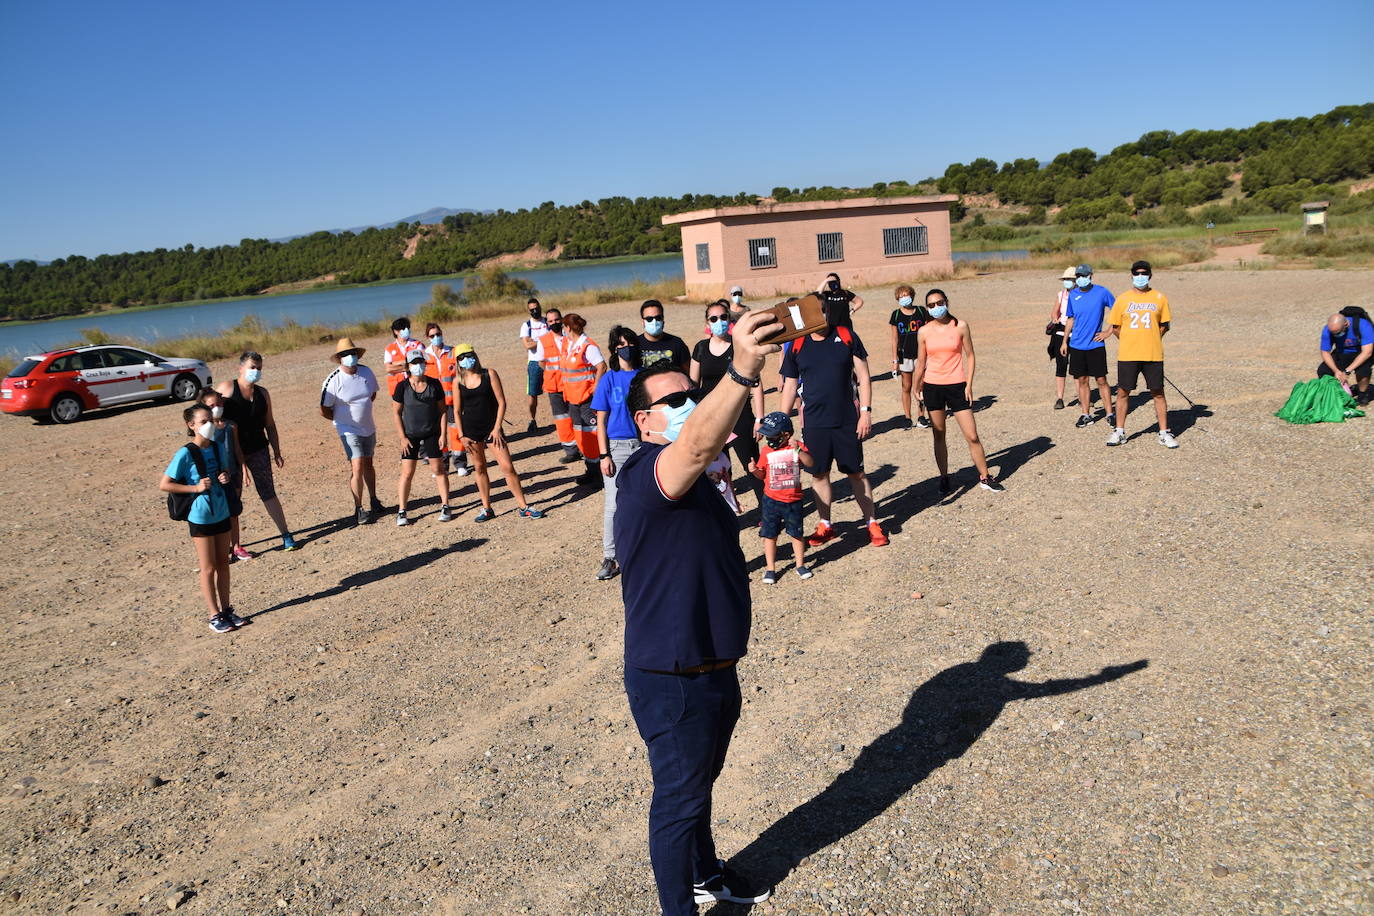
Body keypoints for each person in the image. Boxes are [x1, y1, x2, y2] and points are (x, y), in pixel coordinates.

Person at [615, 308, 780, 916]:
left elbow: (707, 443)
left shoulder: (700, 477)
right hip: (673, 677)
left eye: (691, 393)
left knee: (698, 787)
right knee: (678, 800)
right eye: (672, 400)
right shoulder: (647, 474)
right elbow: (696, 445)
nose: (687, 403)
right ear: (643, 422)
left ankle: (706, 873)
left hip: (713, 665)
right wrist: (739, 370)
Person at [779, 316, 888, 547]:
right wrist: (781, 421)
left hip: (846, 419)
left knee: (856, 473)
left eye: (822, 311)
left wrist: (866, 412)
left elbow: (864, 377)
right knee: (819, 474)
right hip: (814, 423)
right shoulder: (798, 344)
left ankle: (872, 523)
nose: (819, 316)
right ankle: (825, 524)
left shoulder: (847, 336)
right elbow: (790, 385)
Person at [159, 404, 248, 633]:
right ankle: (214, 614)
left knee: (223, 564)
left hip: (221, 510)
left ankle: (227, 609)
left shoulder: (218, 448)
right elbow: (165, 484)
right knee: (208, 567)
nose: (209, 424)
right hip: (200, 516)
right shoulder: (186, 453)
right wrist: (194, 488)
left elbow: (225, 471)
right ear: (191, 425)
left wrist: (225, 476)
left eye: (210, 419)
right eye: (203, 421)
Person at [913, 289, 1006, 493]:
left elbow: (970, 355)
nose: (936, 307)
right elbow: (921, 362)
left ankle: (985, 476)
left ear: (946, 302)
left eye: (939, 303)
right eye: (931, 305)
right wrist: (915, 386)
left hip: (957, 386)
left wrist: (969, 385)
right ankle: (944, 476)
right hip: (932, 386)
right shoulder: (924, 331)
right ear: (927, 308)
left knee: (972, 435)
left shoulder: (960, 326)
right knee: (939, 434)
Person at [451, 344, 545, 521]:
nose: (466, 359)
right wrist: (461, 435)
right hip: (471, 431)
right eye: (461, 357)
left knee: (507, 467)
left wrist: (496, 428)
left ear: (475, 355)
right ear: (457, 362)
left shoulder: (489, 374)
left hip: (491, 428)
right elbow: (456, 411)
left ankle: (523, 506)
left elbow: (501, 402)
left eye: (468, 355)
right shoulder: (458, 382)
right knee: (479, 468)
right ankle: (486, 507)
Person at [216, 352, 296, 551]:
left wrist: (276, 450)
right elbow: (212, 417)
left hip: (259, 448)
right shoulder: (226, 389)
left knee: (268, 492)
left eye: (259, 368)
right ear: (241, 368)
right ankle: (232, 545)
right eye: (252, 367)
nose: (256, 371)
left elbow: (269, 423)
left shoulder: (262, 393)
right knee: (233, 498)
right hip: (231, 454)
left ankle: (286, 534)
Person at [691, 301, 765, 502]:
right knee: (719, 469)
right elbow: (692, 387)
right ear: (708, 322)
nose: (719, 322)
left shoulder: (738, 346)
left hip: (740, 414)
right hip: (711, 416)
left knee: (751, 464)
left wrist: (759, 418)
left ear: (730, 319)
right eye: (714, 318)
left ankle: (769, 513)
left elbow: (756, 383)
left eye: (723, 317)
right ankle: (728, 510)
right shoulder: (700, 348)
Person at [1105, 261, 1178, 448]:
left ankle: (1164, 432)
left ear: (1150, 275)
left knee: (1158, 392)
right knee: (1123, 392)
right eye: (1137, 273)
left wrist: (1151, 339)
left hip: (1153, 354)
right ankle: (1119, 431)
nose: (1140, 276)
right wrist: (1130, 340)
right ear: (1131, 276)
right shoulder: (1122, 299)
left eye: (1144, 273)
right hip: (1128, 354)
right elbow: (1115, 327)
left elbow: (1164, 325)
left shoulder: (1159, 298)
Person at [590, 325, 642, 581]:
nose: (626, 348)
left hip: (644, 446)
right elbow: (601, 419)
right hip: (617, 448)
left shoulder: (645, 377)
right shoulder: (609, 379)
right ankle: (611, 557)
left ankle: (646, 550)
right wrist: (603, 455)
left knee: (646, 500)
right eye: (621, 345)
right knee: (613, 504)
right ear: (614, 349)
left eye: (629, 343)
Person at [319, 336, 383, 525]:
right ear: (339, 358)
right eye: (346, 354)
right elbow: (323, 409)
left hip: (368, 426)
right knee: (357, 465)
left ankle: (374, 500)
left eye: (353, 353)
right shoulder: (332, 380)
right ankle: (359, 508)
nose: (351, 357)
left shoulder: (366, 372)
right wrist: (340, 420)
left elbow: (372, 394)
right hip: (347, 430)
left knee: (369, 463)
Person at [750, 411, 814, 584]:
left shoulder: (795, 447)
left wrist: (798, 450)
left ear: (786, 435)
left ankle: (800, 564)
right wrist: (754, 470)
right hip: (771, 500)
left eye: (772, 435)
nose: (768, 439)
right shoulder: (766, 451)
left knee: (796, 534)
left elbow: (810, 463)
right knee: (770, 535)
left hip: (793, 499)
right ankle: (770, 568)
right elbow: (762, 475)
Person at [392, 350, 453, 525]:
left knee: (439, 470)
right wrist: (402, 437)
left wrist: (443, 434)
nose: (418, 365)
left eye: (420, 362)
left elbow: (442, 411)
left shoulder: (434, 384)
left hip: (432, 433)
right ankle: (402, 510)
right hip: (410, 435)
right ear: (408, 366)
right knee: (407, 473)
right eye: (414, 362)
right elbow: (396, 413)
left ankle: (445, 505)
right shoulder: (402, 387)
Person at [1060, 264, 1115, 429]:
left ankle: (1110, 413)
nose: (1081, 278)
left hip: (1095, 345)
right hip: (1077, 345)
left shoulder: (1102, 292)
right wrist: (1064, 341)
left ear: (1091, 275)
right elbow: (1070, 319)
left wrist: (1108, 331)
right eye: (1078, 276)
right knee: (1082, 380)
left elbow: (1118, 311)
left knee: (1101, 380)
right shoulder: (1073, 295)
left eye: (1084, 275)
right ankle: (1086, 414)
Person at [197, 387, 248, 561]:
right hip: (215, 477)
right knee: (219, 512)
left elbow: (237, 449)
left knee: (234, 511)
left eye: (219, 403)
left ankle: (236, 546)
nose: (217, 407)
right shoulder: (205, 431)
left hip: (232, 473)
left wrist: (243, 469)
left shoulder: (231, 425)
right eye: (212, 405)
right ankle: (220, 548)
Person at [559, 313, 608, 488]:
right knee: (581, 435)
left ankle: (599, 475)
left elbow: (601, 365)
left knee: (592, 435)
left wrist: (596, 386)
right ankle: (590, 469)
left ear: (569, 328)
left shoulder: (587, 346)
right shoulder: (569, 345)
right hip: (573, 398)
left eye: (564, 327)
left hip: (586, 398)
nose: (563, 330)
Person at [535, 308, 583, 465]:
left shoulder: (569, 339)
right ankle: (571, 451)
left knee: (577, 418)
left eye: (556, 320)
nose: (554, 323)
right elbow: (542, 363)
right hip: (554, 387)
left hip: (571, 386)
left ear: (562, 320)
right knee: (562, 419)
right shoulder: (543, 341)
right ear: (546, 323)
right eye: (550, 321)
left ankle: (584, 447)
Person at [423, 322, 469, 477]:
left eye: (438, 334)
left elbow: (463, 374)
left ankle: (460, 463)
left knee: (456, 431)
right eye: (432, 335)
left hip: (452, 401)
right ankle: (442, 465)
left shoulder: (453, 352)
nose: (436, 337)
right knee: (437, 434)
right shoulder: (423, 355)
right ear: (427, 338)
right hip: (433, 403)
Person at [889, 284, 932, 430]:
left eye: (906, 295)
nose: (904, 298)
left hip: (920, 354)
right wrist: (895, 361)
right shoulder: (895, 315)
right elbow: (894, 339)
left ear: (912, 296)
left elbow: (929, 331)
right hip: (904, 355)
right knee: (906, 386)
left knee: (920, 385)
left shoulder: (921, 311)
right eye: (901, 296)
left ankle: (921, 416)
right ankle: (907, 418)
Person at [1318, 308, 1374, 406]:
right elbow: (1325, 352)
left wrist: (1347, 371)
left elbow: (1367, 352)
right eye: (1333, 333)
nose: (1336, 335)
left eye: (1338, 333)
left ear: (1346, 324)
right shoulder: (1328, 329)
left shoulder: (1363, 325)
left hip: (1361, 352)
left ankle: (1362, 395)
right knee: (1323, 370)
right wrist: (1336, 371)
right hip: (1342, 352)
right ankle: (1342, 392)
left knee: (1363, 371)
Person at [519, 297, 549, 432]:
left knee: (558, 391)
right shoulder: (526, 326)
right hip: (534, 362)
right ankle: (532, 420)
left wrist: (535, 341)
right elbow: (527, 345)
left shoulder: (547, 322)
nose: (535, 311)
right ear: (528, 311)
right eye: (532, 310)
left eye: (537, 308)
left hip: (550, 362)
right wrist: (545, 341)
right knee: (532, 394)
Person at [1047, 267, 1075, 409]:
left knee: (1078, 367)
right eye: (1065, 279)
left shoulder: (1080, 295)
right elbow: (1054, 312)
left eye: (1069, 279)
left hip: (1076, 334)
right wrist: (1055, 318)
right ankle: (1060, 397)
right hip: (1060, 333)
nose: (1067, 282)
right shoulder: (1061, 295)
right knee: (1061, 365)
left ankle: (1083, 396)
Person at [637, 299, 691, 370]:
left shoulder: (677, 343)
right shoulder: (635, 344)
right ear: (642, 322)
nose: (654, 322)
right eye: (649, 319)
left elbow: (688, 371)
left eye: (658, 318)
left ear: (663, 319)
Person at [383, 316, 424, 397]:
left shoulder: (417, 345)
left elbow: (422, 363)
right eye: (403, 328)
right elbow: (388, 369)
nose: (406, 330)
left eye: (407, 327)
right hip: (397, 388)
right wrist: (408, 366)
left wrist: (395, 364)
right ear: (395, 331)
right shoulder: (389, 348)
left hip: (415, 385)